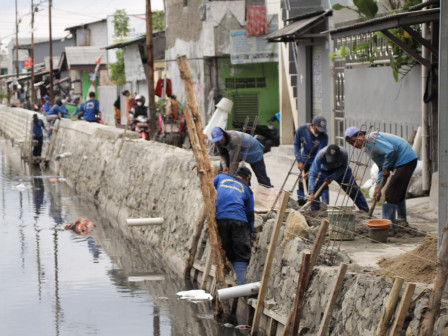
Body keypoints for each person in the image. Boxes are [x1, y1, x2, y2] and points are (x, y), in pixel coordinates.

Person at [344, 127, 418, 225]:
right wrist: (378, 187)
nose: (354, 145)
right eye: (351, 144)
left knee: (390, 194)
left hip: (405, 160)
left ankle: (388, 226)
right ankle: (402, 220)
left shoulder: (371, 140)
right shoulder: (368, 148)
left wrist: (386, 168)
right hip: (404, 162)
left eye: (354, 141)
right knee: (398, 192)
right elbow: (381, 167)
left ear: (361, 134)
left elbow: (391, 151)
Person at [214, 166, 254, 285]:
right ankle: (241, 285)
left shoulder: (221, 177)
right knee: (241, 253)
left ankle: (231, 279)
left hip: (220, 218)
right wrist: (249, 235)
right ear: (247, 179)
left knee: (228, 249)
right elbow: (250, 215)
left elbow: (208, 185)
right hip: (239, 220)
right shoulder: (247, 189)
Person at [308, 144, 369, 212]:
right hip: (325, 171)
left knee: (353, 189)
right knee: (315, 192)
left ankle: (365, 210)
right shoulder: (321, 154)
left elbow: (344, 168)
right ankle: (315, 212)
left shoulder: (344, 153)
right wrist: (311, 192)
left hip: (341, 171)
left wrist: (332, 177)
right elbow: (313, 173)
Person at [293, 115, 329, 205]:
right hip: (305, 160)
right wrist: (299, 160)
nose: (320, 132)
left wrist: (313, 170)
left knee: (321, 182)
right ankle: (302, 204)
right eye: (318, 129)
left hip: (318, 162)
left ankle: (324, 205)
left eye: (322, 130)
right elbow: (296, 144)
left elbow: (319, 155)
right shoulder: (301, 129)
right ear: (312, 125)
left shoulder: (324, 137)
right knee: (302, 182)